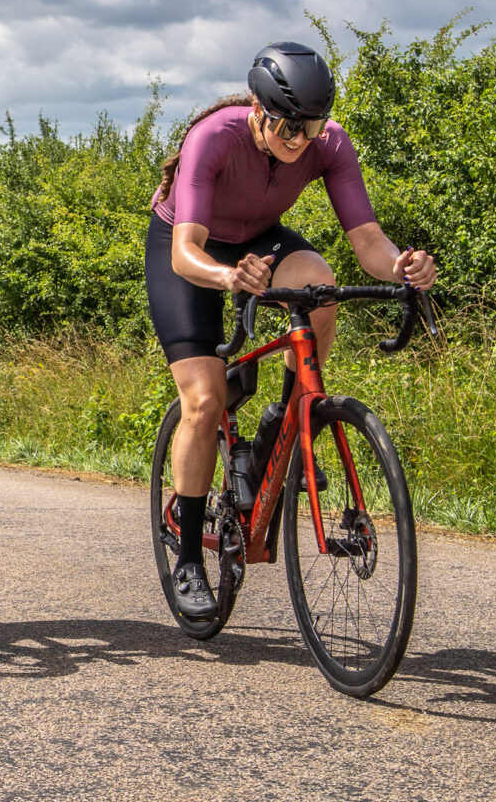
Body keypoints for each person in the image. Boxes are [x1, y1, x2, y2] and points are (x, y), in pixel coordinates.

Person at [145, 41, 436, 619]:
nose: (299, 139)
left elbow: (368, 242)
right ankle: (187, 558)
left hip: (259, 241)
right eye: (286, 125)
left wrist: (402, 265)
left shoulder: (328, 143)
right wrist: (228, 277)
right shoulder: (215, 136)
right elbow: (185, 252)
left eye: (311, 126)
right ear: (257, 108)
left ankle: (277, 428)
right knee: (203, 401)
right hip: (192, 249)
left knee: (321, 288)